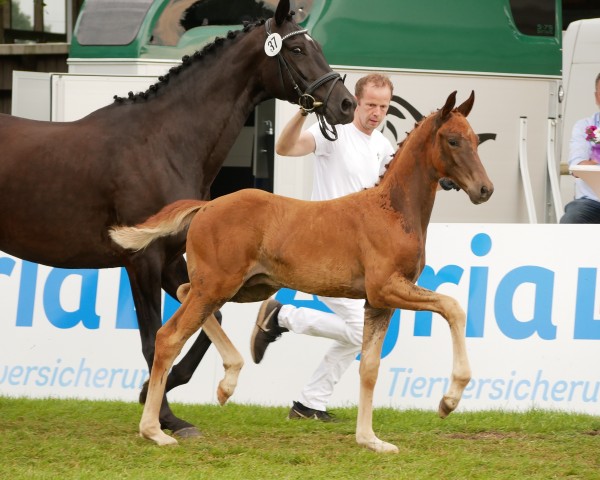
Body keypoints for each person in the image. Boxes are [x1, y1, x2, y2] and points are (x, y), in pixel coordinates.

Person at [250, 73, 396, 421]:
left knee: (359, 333)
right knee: (364, 331)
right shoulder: (334, 131)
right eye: (371, 104)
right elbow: (285, 149)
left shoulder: (384, 147)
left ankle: (309, 403)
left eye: (384, 106)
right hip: (322, 248)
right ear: (357, 101)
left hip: (360, 254)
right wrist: (301, 113)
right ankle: (284, 317)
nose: (376, 113)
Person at [561, 72, 600, 223]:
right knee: (572, 219)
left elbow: (587, 165)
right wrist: (586, 164)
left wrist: (594, 162)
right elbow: (578, 166)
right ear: (597, 97)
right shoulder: (586, 126)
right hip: (592, 202)